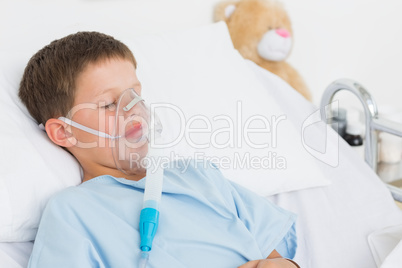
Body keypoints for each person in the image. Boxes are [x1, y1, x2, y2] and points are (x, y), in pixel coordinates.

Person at [19, 31, 299, 268]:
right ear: (64, 131)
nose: (133, 109)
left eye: (135, 94)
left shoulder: (199, 176)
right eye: (108, 104)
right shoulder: (72, 212)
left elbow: (276, 257)